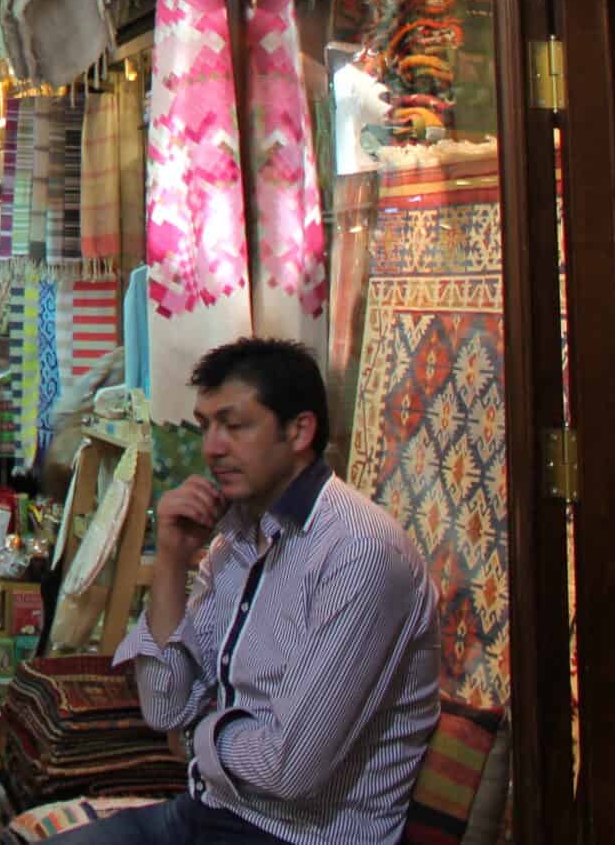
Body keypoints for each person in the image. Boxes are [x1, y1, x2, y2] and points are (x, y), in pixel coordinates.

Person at [71, 339, 441, 845]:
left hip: (297, 835)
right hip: (208, 811)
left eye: (235, 425)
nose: (212, 447)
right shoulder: (237, 537)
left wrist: (198, 734)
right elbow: (163, 707)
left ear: (299, 431)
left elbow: (288, 768)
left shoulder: (360, 553)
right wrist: (172, 558)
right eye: (206, 426)